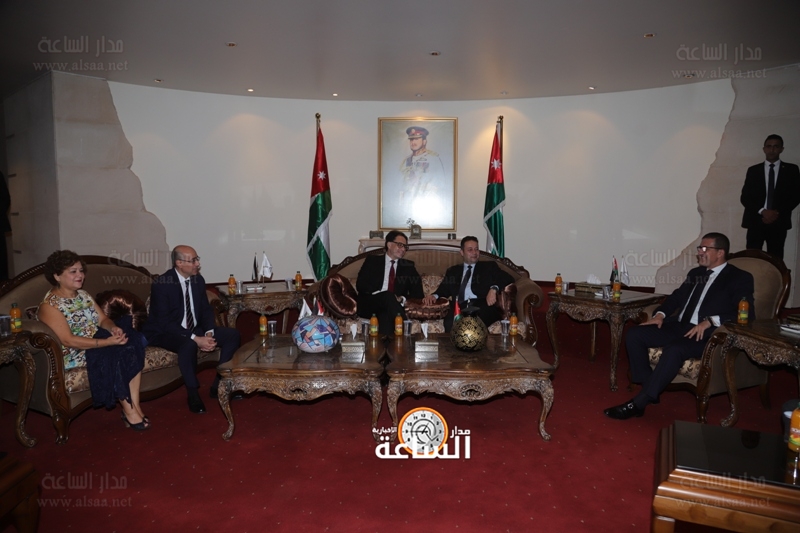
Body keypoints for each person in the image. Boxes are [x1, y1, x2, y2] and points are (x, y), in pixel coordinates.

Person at [604, 233, 754, 420]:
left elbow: (746, 314)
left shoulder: (739, 278)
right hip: (680, 325)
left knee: (675, 349)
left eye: (704, 249)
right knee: (635, 334)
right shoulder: (696, 274)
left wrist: (710, 320)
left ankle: (639, 403)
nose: (700, 252)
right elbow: (676, 297)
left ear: (720, 252)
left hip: (705, 334)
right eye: (699, 248)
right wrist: (660, 315)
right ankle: (649, 387)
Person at [38, 250, 150, 431]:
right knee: (119, 352)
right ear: (57, 276)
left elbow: (103, 320)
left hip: (98, 339)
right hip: (76, 352)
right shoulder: (50, 306)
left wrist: (113, 328)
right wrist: (108, 343)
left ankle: (134, 406)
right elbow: (68, 340)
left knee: (133, 342)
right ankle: (130, 412)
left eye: (81, 270)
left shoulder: (83, 295)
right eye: (73, 271)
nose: (80, 275)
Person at [143, 245, 240, 414]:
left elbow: (205, 310)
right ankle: (193, 393)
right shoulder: (162, 284)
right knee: (188, 344)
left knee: (232, 335)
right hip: (165, 332)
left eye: (197, 259)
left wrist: (208, 332)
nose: (197, 264)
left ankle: (219, 384)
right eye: (193, 260)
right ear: (179, 263)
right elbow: (165, 322)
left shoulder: (197, 280)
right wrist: (196, 338)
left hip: (194, 328)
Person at [422, 236, 514, 331]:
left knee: (472, 324)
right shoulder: (453, 271)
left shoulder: (488, 267)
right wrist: (434, 296)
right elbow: (444, 289)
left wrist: (494, 288)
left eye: (476, 249)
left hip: (481, 305)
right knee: (449, 324)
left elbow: (507, 277)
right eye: (470, 250)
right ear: (462, 252)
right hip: (459, 306)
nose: (474, 252)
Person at [740, 134, 800, 259]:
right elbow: (745, 197)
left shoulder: (791, 170)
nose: (772, 150)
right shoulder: (753, 170)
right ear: (764, 149)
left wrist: (775, 213)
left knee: (775, 259)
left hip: (778, 221)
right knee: (752, 258)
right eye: (769, 146)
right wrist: (763, 211)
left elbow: (795, 196)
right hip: (755, 221)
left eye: (776, 146)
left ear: (781, 149)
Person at [356, 230, 424, 335]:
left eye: (405, 247)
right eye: (400, 245)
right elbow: (360, 285)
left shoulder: (408, 266)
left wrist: (401, 299)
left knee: (385, 316)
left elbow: (418, 294)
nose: (403, 249)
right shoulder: (372, 261)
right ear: (389, 244)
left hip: (392, 306)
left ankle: (387, 345)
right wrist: (381, 293)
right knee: (387, 295)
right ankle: (404, 327)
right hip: (371, 303)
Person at [398, 126, 446, 219]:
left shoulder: (433, 158)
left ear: (424, 141)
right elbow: (400, 187)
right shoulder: (406, 161)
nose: (413, 142)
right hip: (408, 207)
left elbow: (441, 184)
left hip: (428, 207)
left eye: (416, 139)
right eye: (411, 139)